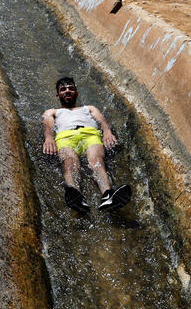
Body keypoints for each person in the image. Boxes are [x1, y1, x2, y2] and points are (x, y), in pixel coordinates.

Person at [42, 77, 131, 212]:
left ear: (76, 93)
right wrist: (49, 138)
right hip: (65, 136)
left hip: (91, 134)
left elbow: (102, 121)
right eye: (63, 89)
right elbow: (48, 127)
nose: (67, 91)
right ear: (57, 95)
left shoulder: (89, 108)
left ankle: (107, 195)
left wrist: (107, 132)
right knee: (70, 163)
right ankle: (76, 195)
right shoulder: (53, 112)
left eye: (71, 88)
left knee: (97, 161)